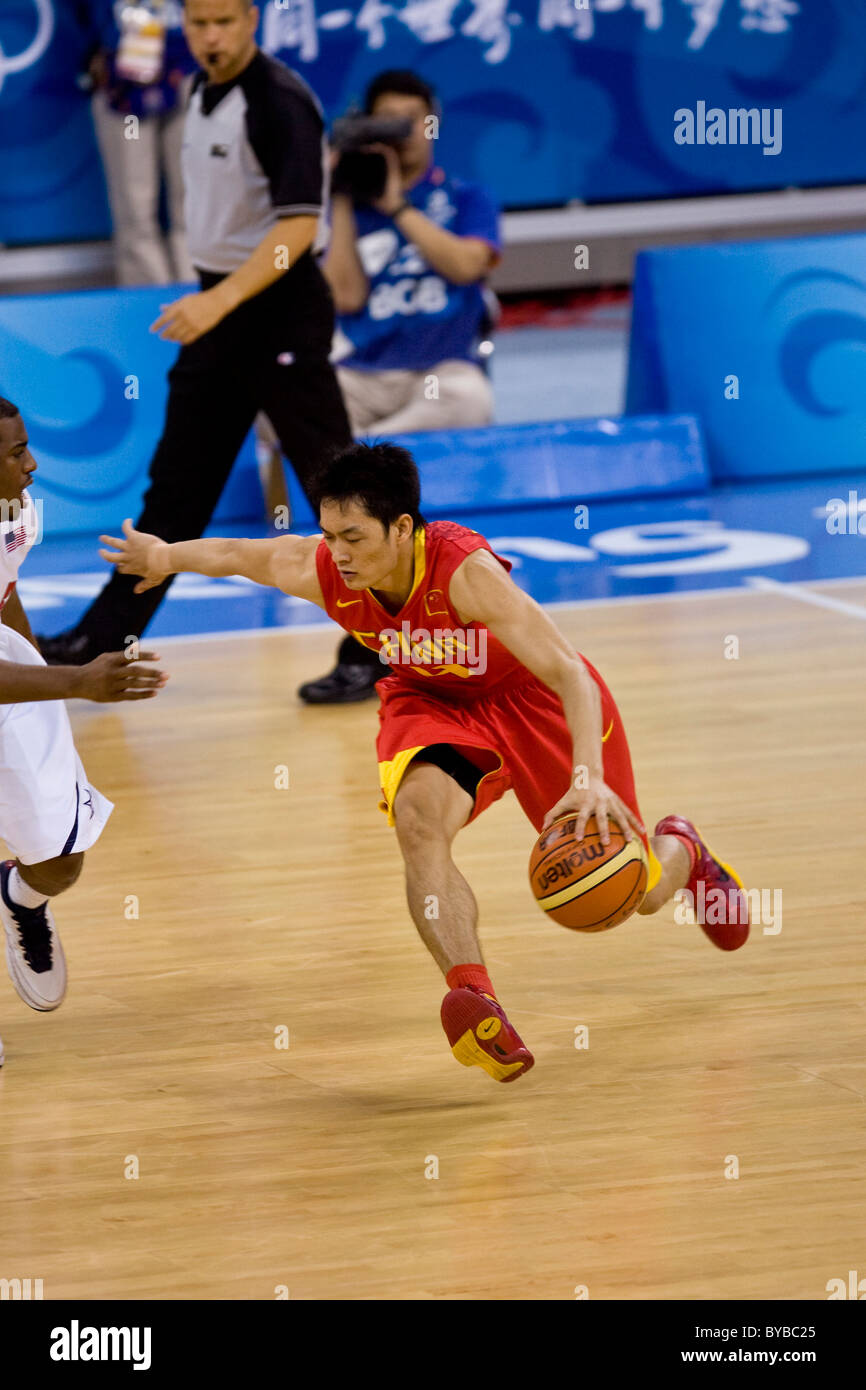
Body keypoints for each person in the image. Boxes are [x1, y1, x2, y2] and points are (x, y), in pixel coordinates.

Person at [99, 440, 751, 1086]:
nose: (339, 553)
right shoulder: (324, 569)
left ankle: (681, 850)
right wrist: (163, 554)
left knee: (636, 893)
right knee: (417, 822)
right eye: (329, 535)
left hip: (535, 699)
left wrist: (586, 777)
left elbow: (569, 672)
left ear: (402, 527)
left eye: (353, 536)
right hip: (433, 701)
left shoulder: (465, 573)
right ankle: (477, 1001)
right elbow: (239, 554)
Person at [40, 0, 383, 707]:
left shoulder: (281, 101)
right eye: (198, 24)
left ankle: (383, 646)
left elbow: (296, 228)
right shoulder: (198, 89)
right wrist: (214, 305)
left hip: (278, 314)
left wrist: (218, 303)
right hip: (220, 316)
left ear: (252, 18)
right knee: (177, 493)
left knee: (339, 490)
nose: (211, 37)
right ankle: (106, 637)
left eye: (224, 22)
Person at [0, 399, 167, 1067]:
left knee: (61, 861)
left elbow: (5, 592)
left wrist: (43, 682)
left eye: (26, 446)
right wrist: (78, 681)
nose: (32, 464)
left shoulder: (19, 510)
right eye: (16, 454)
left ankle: (19, 895)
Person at [326, 70, 501, 435]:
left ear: (432, 125)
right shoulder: (351, 210)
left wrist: (396, 206)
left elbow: (467, 267)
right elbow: (346, 298)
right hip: (364, 375)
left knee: (469, 399)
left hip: (440, 372)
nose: (403, 130)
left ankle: (369, 449)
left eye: (413, 119)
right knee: (300, 404)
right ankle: (379, 448)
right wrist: (340, 193)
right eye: (389, 119)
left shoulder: (466, 197)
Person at [82, 0, 197, 286]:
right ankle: (149, 302)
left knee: (193, 196)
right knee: (135, 202)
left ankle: (197, 288)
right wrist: (100, 46)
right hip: (124, 81)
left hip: (186, 70)